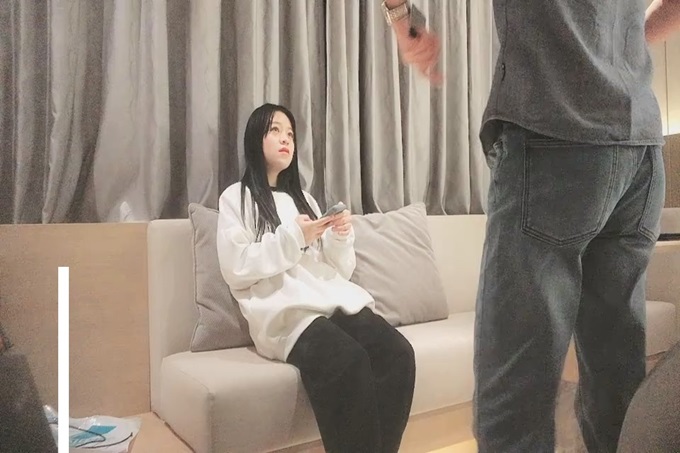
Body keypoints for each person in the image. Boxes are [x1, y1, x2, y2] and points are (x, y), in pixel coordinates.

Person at [379, 0, 680, 452]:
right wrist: (621, 43)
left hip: (554, 133)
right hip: (639, 150)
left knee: (514, 397)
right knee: (616, 377)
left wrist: (402, 18)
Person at [215, 103, 416, 453]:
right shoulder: (236, 198)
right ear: (254, 138)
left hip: (331, 302)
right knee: (348, 362)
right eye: (275, 130)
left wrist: (339, 237)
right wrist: (294, 238)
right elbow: (236, 267)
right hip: (286, 314)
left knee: (398, 354)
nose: (285, 140)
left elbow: (336, 272)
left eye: (291, 134)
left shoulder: (304, 200)